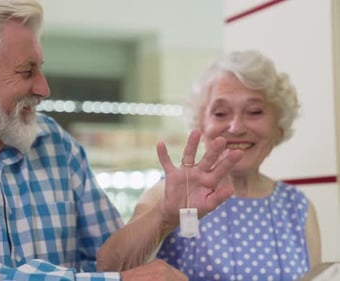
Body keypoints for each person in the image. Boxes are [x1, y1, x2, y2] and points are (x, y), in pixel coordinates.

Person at [0, 0, 243, 280]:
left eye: (39, 68)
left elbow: (107, 259)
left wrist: (164, 215)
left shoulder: (55, 145)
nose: (43, 88)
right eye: (27, 71)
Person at [97, 50, 322, 281]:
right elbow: (109, 266)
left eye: (254, 111)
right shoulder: (170, 193)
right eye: (221, 113)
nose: (236, 127)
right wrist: (165, 214)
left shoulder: (298, 208)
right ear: (201, 124)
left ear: (279, 126)